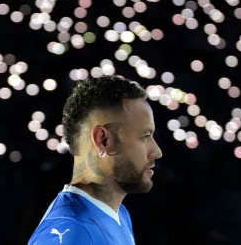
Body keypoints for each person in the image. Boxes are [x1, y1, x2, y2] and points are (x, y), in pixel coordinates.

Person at [28, 75, 163, 244]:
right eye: (144, 136)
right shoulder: (72, 234)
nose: (157, 151)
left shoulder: (118, 213)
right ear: (103, 140)